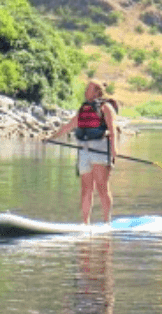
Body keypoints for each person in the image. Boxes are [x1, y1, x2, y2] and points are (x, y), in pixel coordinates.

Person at [47, 80, 119, 224]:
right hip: (84, 150)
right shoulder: (84, 109)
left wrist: (114, 150)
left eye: (88, 89)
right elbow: (69, 125)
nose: (85, 91)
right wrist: (51, 137)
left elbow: (112, 130)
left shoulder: (106, 108)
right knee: (86, 189)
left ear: (97, 92)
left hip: (100, 149)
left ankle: (107, 221)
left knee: (102, 187)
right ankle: (85, 223)